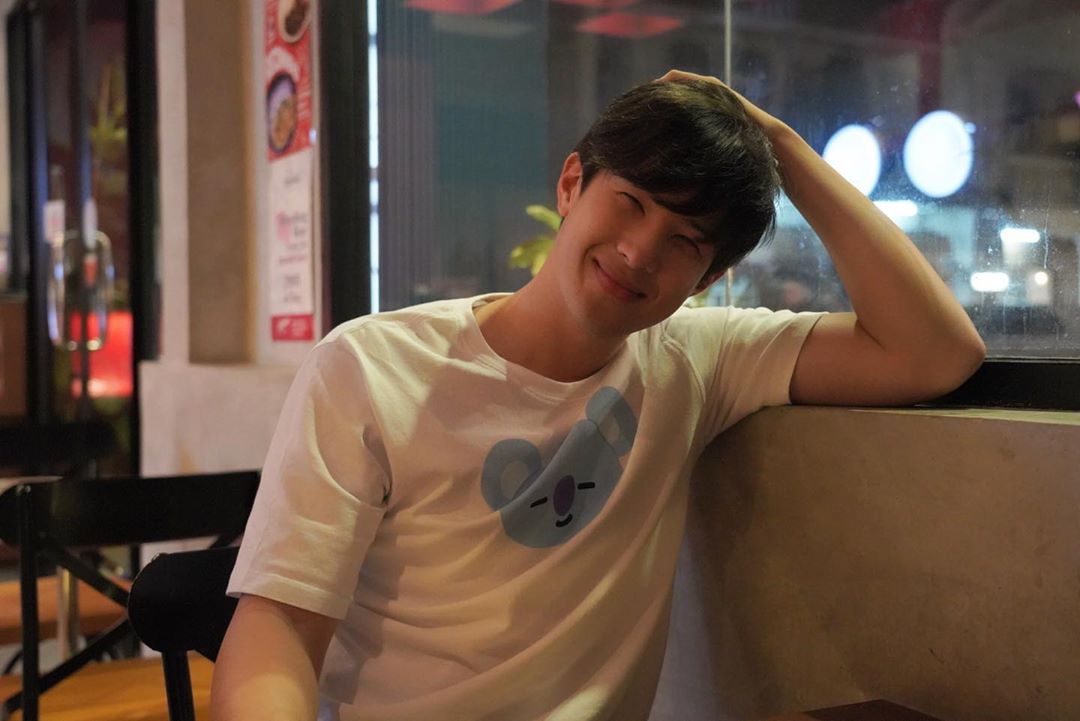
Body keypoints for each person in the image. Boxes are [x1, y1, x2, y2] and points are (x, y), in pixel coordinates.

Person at [212, 70, 985, 721]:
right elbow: (281, 625)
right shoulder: (368, 366)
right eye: (631, 202)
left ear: (709, 279)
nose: (639, 251)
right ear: (571, 184)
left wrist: (781, 147)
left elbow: (934, 352)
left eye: (685, 241)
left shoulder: (697, 361)